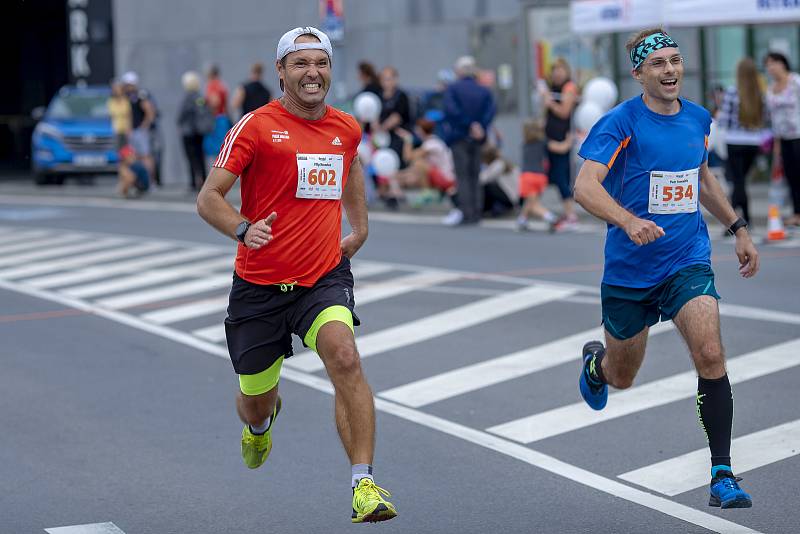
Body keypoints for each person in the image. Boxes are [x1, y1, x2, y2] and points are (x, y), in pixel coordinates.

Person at [196, 26, 397, 524]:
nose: (313, 73)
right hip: (260, 286)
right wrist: (243, 230)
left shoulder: (347, 127)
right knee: (256, 404)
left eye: (321, 63)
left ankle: (364, 485)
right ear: (281, 71)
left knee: (345, 356)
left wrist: (361, 225)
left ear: (331, 69)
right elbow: (208, 198)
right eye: (301, 64)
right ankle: (260, 426)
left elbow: (349, 166)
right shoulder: (256, 127)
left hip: (321, 276)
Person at [573, 27, 760, 510]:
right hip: (630, 273)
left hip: (686, 260)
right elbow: (585, 187)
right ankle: (597, 365)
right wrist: (628, 220)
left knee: (711, 353)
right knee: (623, 376)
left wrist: (738, 225)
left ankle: (722, 473)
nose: (670, 69)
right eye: (658, 63)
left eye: (675, 60)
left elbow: (700, 176)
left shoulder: (697, 118)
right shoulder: (620, 123)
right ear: (638, 73)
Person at [442, 55, 496, 225]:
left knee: (463, 176)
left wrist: (468, 125)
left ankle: (466, 212)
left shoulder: (453, 89)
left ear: (459, 70)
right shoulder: (484, 90)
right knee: (475, 174)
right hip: (478, 137)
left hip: (459, 136)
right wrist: (480, 126)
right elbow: (491, 110)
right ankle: (477, 212)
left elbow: (451, 110)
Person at [717, 58, 770, 225]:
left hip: (734, 141)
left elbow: (723, 121)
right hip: (754, 142)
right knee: (741, 181)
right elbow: (766, 119)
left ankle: (734, 221)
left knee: (738, 182)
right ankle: (744, 218)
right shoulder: (760, 93)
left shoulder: (733, 91)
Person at [540, 58, 579, 230]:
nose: (557, 73)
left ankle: (571, 213)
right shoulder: (551, 88)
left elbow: (564, 112)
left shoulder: (569, 87)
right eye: (554, 69)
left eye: (560, 69)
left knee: (561, 175)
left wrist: (550, 102)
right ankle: (566, 211)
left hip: (562, 137)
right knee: (553, 175)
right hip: (550, 136)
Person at [765, 51, 800, 226]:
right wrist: (776, 145)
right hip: (783, 138)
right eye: (768, 64)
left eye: (773, 63)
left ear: (783, 63)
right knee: (791, 175)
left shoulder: (796, 82)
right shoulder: (770, 88)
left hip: (798, 135)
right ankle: (797, 213)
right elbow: (773, 119)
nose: (770, 67)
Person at [517, 119, 557, 231]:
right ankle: (522, 220)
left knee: (533, 204)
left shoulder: (525, 144)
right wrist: (568, 142)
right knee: (530, 201)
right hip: (540, 177)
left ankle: (549, 216)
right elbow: (558, 147)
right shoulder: (543, 142)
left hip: (527, 176)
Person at [177, 71, 212, 191]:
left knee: (191, 157)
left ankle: (193, 182)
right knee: (200, 156)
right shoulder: (200, 97)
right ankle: (203, 181)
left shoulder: (187, 98)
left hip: (188, 132)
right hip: (199, 132)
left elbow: (181, 115)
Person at [121, 71, 157, 184]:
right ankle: (141, 181)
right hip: (134, 130)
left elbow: (149, 111)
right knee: (135, 156)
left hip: (140, 131)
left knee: (145, 156)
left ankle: (150, 181)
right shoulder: (129, 96)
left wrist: (143, 127)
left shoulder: (140, 95)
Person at [479, 144, 518, 217]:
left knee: (487, 187)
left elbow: (483, 179)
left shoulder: (498, 164)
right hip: (514, 197)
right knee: (490, 185)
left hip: (511, 198)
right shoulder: (503, 162)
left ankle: (484, 209)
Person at [107, 80, 132, 150]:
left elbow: (129, 115)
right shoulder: (111, 101)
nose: (116, 91)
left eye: (118, 89)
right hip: (115, 130)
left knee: (127, 150)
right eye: (114, 89)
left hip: (125, 129)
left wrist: (129, 129)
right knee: (117, 150)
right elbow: (110, 115)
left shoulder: (126, 101)